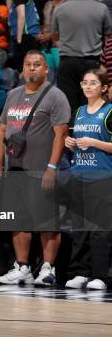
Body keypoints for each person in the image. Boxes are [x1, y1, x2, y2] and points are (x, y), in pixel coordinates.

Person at [0, 51, 70, 286]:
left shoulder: (55, 96)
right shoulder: (13, 95)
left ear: (47, 70)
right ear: (22, 69)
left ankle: (48, 269)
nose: (32, 68)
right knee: (18, 220)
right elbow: (2, 131)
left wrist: (52, 167)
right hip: (16, 169)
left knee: (47, 222)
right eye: (28, 64)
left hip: (41, 170)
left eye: (37, 65)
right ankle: (22, 267)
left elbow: (61, 135)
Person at [64, 68, 112, 290]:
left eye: (93, 83)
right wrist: (70, 143)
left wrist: (94, 143)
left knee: (100, 229)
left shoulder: (109, 111)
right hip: (78, 175)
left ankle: (100, 275)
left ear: (103, 88)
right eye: (85, 83)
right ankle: (79, 272)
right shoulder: (79, 111)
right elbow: (76, 140)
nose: (88, 87)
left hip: (102, 177)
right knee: (80, 228)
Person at [53, 0, 112, 113]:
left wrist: (66, 47)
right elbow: (109, 37)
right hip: (92, 62)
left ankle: (72, 133)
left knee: (68, 107)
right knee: (92, 105)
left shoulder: (60, 9)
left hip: (67, 62)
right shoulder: (102, 8)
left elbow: (55, 38)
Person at [6, 0, 41, 70]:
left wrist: (19, 38)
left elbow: (21, 15)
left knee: (24, 70)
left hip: (25, 37)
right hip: (29, 37)